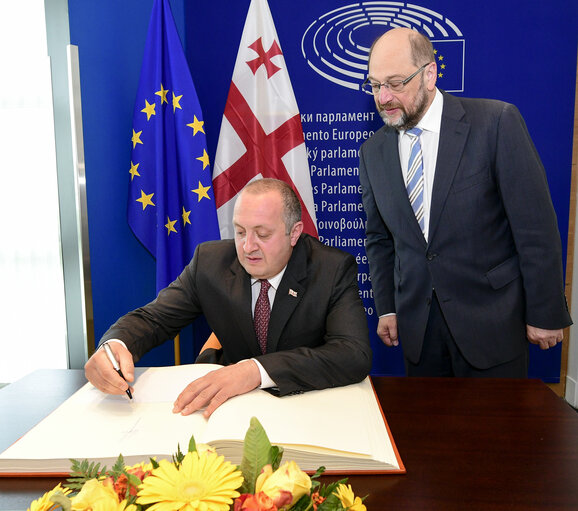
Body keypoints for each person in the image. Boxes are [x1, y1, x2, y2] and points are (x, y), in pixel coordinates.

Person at [358, 27, 571, 377]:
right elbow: (379, 240)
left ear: (430, 74)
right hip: (419, 333)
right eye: (376, 84)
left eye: (395, 83)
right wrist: (387, 308)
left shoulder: (496, 123)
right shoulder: (373, 152)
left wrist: (545, 313)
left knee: (498, 432)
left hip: (493, 325)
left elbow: (535, 228)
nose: (383, 97)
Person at [85, 178, 372, 415]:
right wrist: (114, 345)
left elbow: (352, 354)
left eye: (262, 234)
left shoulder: (331, 268)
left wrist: (254, 371)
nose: (248, 247)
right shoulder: (209, 263)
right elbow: (154, 319)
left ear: (294, 233)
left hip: (306, 407)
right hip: (231, 411)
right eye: (240, 232)